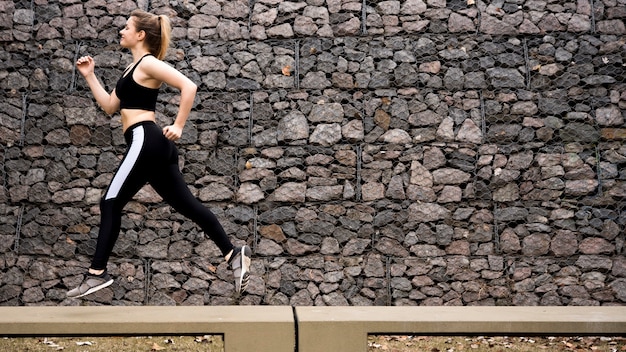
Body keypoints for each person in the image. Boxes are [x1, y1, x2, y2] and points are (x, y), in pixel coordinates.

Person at [67, 9, 251, 298]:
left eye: (126, 27)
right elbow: (110, 106)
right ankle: (233, 254)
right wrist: (90, 76)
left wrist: (178, 125)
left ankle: (96, 274)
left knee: (110, 203)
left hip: (146, 138)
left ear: (140, 35)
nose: (121, 31)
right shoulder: (131, 70)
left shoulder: (149, 63)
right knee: (189, 207)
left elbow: (188, 86)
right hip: (152, 147)